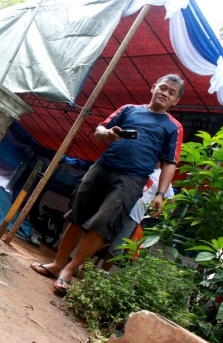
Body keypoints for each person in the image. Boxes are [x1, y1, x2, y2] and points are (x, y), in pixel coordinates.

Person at [31, 74, 184, 293]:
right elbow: (99, 130)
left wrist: (160, 193)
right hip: (103, 167)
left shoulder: (173, 127)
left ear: (175, 101)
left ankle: (70, 270)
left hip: (132, 179)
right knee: (77, 216)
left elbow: (170, 162)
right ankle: (57, 264)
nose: (165, 93)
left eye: (171, 92)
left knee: (102, 226)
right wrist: (108, 133)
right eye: (163, 87)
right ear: (153, 87)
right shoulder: (129, 109)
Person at [99, 163, 174, 271]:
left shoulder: (163, 177)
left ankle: (99, 275)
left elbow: (171, 200)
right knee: (98, 236)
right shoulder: (139, 163)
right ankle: (83, 269)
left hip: (134, 216)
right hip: (117, 206)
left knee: (116, 247)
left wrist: (155, 207)